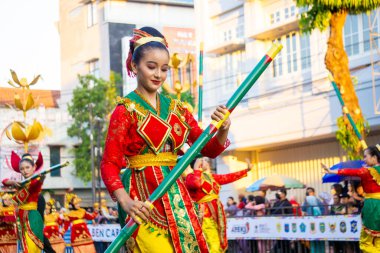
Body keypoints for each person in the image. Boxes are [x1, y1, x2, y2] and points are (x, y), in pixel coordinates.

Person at [100, 26, 231, 253]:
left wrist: (223, 129)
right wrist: (125, 201)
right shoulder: (125, 110)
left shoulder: (178, 109)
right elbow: (109, 163)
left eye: (164, 69)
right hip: (141, 198)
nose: (158, 74)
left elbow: (207, 148)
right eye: (151, 67)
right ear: (134, 65)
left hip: (177, 196)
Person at [185, 157, 252, 252]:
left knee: (218, 240)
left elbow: (228, 177)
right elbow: (195, 183)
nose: (207, 162)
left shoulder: (211, 177)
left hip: (217, 215)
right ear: (197, 163)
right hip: (204, 216)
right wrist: (196, 169)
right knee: (212, 242)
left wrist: (247, 170)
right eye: (203, 160)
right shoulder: (190, 177)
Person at [322, 144, 380, 252]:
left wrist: (330, 171)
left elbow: (349, 171)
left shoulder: (367, 172)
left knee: (366, 242)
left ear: (374, 157)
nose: (364, 159)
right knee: (378, 240)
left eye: (365, 156)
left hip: (372, 206)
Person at [2, 152, 45, 253]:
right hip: (20, 218)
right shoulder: (19, 184)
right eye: (22, 169)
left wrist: (40, 178)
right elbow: (4, 181)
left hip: (32, 216)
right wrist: (13, 182)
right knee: (26, 247)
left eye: (27, 167)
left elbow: (37, 184)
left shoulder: (34, 182)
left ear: (34, 167)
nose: (25, 171)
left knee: (32, 249)